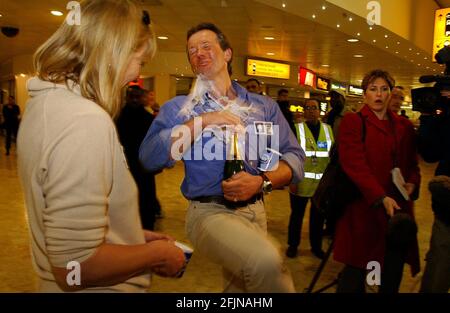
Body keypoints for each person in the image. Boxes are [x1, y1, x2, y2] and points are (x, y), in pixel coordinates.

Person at [17, 0, 185, 292]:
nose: (136, 76)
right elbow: (73, 268)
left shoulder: (43, 105)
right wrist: (157, 254)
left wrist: (128, 237)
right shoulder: (84, 121)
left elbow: (66, 222)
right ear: (113, 54)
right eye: (140, 62)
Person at [139, 22, 305, 292]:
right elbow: (149, 157)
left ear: (227, 54)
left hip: (256, 210)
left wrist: (262, 181)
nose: (199, 54)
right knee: (265, 262)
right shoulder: (180, 109)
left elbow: (294, 156)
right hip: (209, 212)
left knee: (240, 286)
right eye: (192, 51)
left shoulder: (263, 107)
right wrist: (202, 121)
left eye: (206, 46)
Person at [334, 69, 421, 293]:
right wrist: (380, 196)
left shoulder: (403, 126)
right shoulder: (354, 122)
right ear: (365, 94)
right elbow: (355, 165)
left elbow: (412, 164)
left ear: (391, 93)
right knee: (360, 269)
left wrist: (412, 181)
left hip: (396, 212)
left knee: (390, 271)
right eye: (373, 89)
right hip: (364, 210)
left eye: (384, 89)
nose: (379, 95)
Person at [286, 99, 334, 259]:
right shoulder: (296, 129)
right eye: (308, 108)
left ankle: (316, 247)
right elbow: (289, 155)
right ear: (304, 111)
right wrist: (291, 180)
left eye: (314, 108)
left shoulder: (328, 130)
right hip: (300, 182)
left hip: (320, 185)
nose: (312, 111)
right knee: (296, 217)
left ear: (319, 111)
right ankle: (293, 245)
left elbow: (331, 156)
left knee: (318, 219)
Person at [418, 91, 450, 293]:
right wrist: (429, 117)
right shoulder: (446, 116)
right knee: (439, 267)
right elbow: (430, 154)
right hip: (447, 208)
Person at [116, 86, 161, 230]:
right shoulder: (145, 119)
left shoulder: (119, 117)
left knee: (137, 204)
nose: (135, 99)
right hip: (134, 168)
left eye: (137, 97)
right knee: (137, 204)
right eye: (133, 97)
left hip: (133, 167)